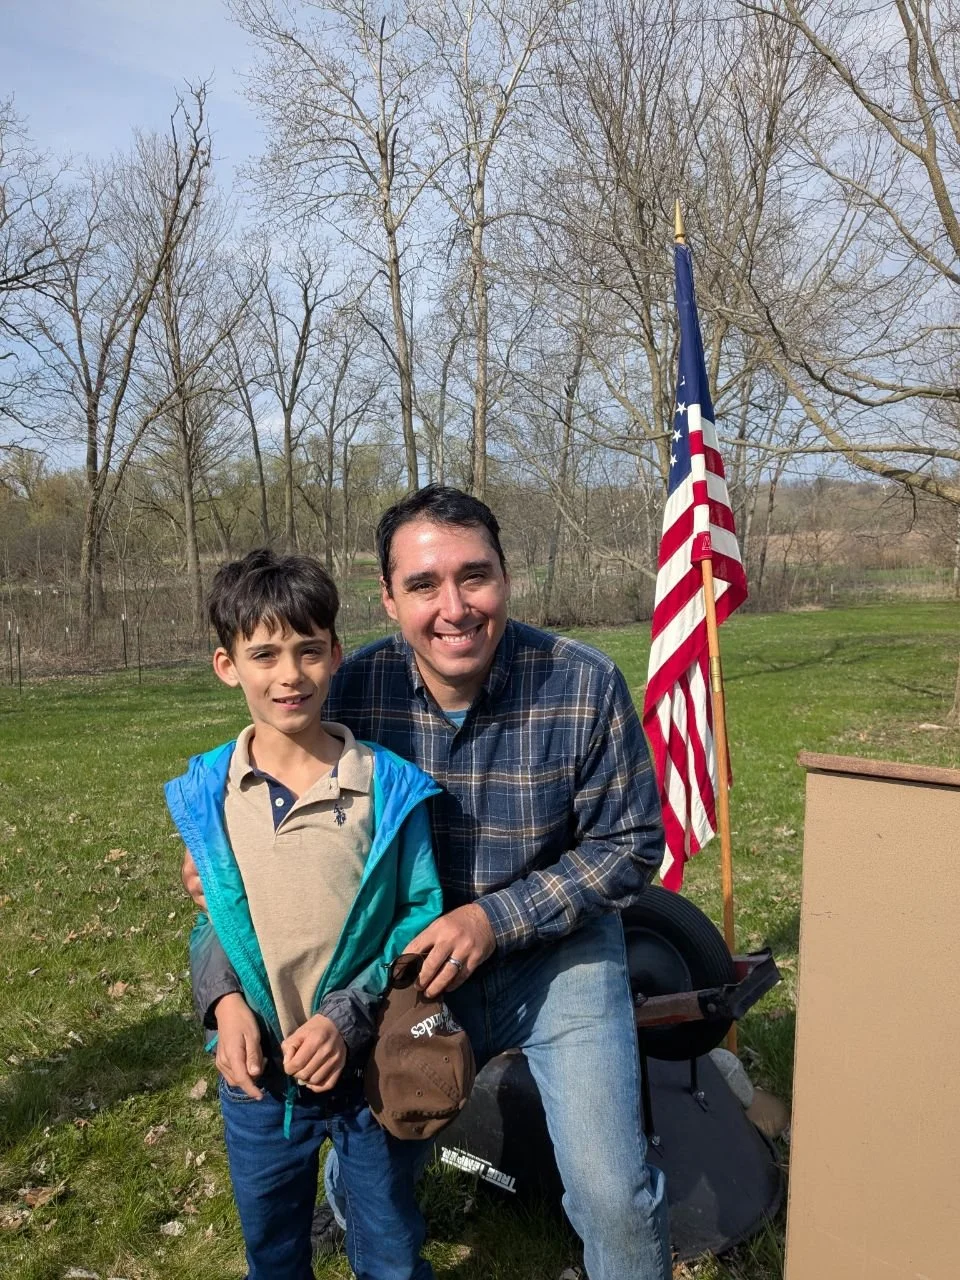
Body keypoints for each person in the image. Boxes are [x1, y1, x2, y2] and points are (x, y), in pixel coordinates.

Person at [185, 487, 671, 1280]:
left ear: (506, 577)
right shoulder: (348, 687)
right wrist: (218, 883)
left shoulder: (582, 683)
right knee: (376, 1173)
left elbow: (629, 843)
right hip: (400, 973)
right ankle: (352, 1193)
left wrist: (494, 920)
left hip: (559, 961)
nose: (454, 608)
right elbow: (255, 828)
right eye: (423, 584)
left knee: (613, 1192)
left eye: (474, 576)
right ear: (388, 598)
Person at [165, 549, 442, 1280]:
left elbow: (418, 916)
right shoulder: (209, 794)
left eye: (308, 650)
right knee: (274, 1249)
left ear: (336, 655)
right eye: (264, 655)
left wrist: (346, 1018)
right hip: (260, 1081)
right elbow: (214, 922)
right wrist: (222, 1003)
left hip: (368, 1068)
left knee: (389, 1248)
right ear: (227, 666)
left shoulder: (388, 786)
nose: (289, 674)